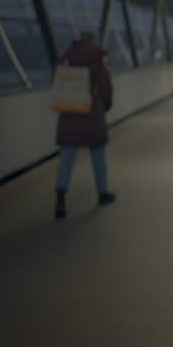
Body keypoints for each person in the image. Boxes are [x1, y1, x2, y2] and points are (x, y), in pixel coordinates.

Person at [55, 29, 116, 218]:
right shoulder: (97, 61)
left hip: (70, 114)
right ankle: (102, 193)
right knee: (98, 157)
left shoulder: (66, 58)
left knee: (66, 159)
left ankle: (60, 201)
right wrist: (103, 107)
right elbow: (106, 89)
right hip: (92, 116)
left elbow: (57, 84)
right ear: (94, 40)